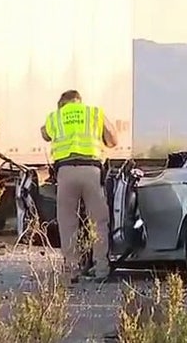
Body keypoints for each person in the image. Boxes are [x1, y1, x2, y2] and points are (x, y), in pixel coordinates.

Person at [40, 89, 118, 283]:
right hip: (91, 171)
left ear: (62, 103)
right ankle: (101, 269)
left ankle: (71, 270)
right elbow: (113, 140)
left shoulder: (55, 117)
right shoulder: (95, 113)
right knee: (98, 222)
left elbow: (44, 134)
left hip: (65, 172)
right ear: (79, 101)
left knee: (67, 223)